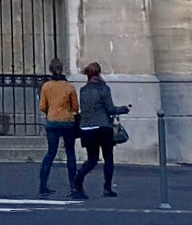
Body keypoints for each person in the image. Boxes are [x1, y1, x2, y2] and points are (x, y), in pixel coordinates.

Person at [76, 62, 128, 192]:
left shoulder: (83, 90)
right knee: (108, 158)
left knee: (92, 159)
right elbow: (110, 109)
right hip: (103, 127)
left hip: (87, 128)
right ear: (99, 73)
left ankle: (79, 177)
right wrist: (124, 109)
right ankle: (107, 188)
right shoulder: (104, 89)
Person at [38, 59, 85, 196]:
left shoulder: (46, 86)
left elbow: (42, 106)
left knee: (50, 153)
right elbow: (76, 107)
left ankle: (42, 185)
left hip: (52, 121)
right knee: (70, 153)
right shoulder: (69, 87)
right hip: (68, 122)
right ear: (62, 69)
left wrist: (51, 111)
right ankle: (73, 185)